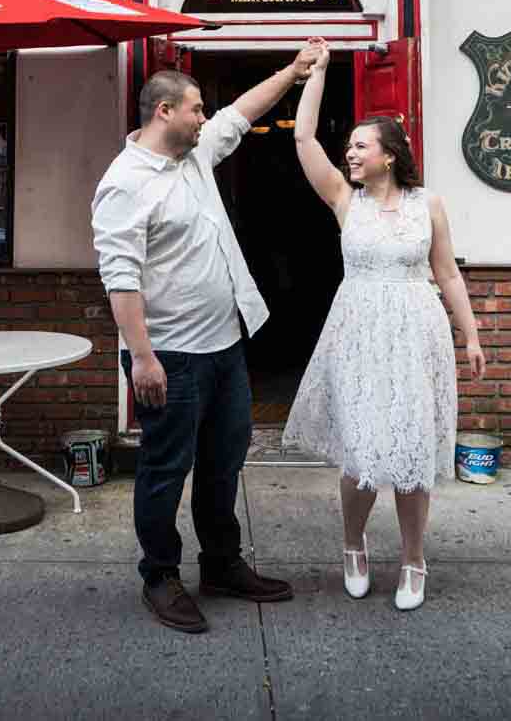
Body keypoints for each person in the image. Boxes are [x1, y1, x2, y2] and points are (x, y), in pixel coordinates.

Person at [92, 41, 324, 634]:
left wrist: (294, 72)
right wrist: (141, 358)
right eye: (195, 108)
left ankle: (220, 564)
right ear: (164, 111)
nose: (204, 116)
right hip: (169, 356)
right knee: (166, 469)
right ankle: (160, 577)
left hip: (224, 345)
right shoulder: (124, 183)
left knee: (223, 464)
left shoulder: (193, 156)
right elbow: (120, 278)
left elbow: (242, 113)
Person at [281, 43, 485, 610]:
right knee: (364, 451)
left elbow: (446, 271)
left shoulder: (429, 205)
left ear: (389, 155)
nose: (349, 154)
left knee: (413, 452)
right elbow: (303, 140)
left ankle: (414, 560)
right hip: (360, 333)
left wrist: (469, 334)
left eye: (360, 146)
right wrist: (315, 75)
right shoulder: (346, 201)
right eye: (348, 147)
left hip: (417, 333)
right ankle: (353, 545)